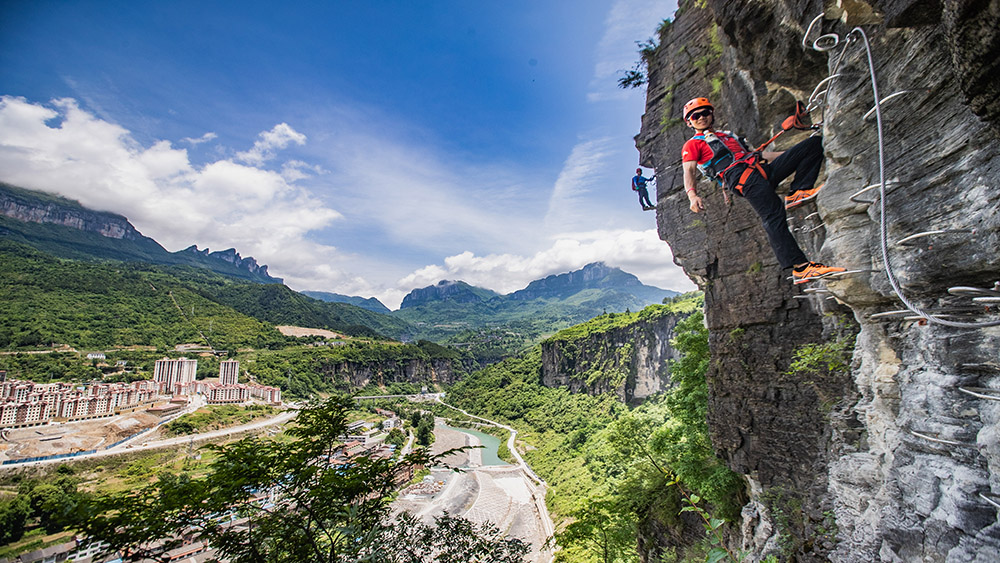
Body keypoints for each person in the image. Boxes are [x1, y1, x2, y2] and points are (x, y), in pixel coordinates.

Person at [680, 97, 845, 284]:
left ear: (712, 114)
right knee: (773, 214)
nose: (701, 117)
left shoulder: (728, 137)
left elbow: (761, 155)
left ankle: (799, 191)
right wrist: (692, 195)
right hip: (740, 178)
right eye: (695, 116)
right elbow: (689, 170)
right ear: (689, 122)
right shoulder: (692, 144)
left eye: (705, 113)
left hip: (761, 169)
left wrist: (795, 154)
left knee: (813, 145)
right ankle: (801, 268)